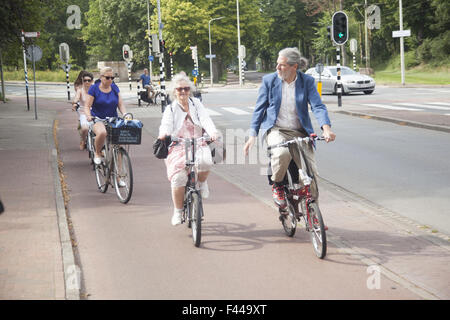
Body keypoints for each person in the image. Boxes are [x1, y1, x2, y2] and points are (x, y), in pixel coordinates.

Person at [243, 47, 336, 208]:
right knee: (281, 154)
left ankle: (313, 212)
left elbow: (318, 106)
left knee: (311, 174)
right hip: (277, 130)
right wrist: (253, 135)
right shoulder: (269, 81)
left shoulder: (307, 81)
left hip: (300, 131)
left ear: (294, 66)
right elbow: (259, 109)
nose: (277, 68)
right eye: (277, 64)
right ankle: (277, 185)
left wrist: (326, 128)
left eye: (282, 65)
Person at [158, 73, 219, 226]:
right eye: (180, 89)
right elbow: (165, 125)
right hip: (177, 145)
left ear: (190, 90)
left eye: (186, 88)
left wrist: (212, 132)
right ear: (174, 92)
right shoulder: (170, 109)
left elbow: (205, 119)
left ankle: (203, 182)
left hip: (198, 142)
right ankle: (178, 211)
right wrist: (164, 134)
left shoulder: (196, 103)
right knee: (179, 178)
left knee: (206, 161)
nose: (183, 92)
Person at [84, 67, 127, 165]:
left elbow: (120, 104)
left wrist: (125, 114)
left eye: (112, 78)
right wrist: (88, 116)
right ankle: (97, 153)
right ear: (101, 77)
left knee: (118, 145)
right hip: (98, 119)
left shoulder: (115, 88)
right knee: (102, 132)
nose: (110, 80)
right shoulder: (94, 88)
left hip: (113, 120)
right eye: (108, 78)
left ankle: (119, 177)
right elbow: (87, 106)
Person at [72, 71, 94, 150]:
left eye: (89, 80)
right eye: (85, 80)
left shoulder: (96, 89)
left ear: (92, 81)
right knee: (85, 128)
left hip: (95, 112)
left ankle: (99, 148)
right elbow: (76, 98)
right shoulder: (80, 90)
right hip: (83, 112)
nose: (87, 82)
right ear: (82, 81)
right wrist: (74, 104)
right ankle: (83, 141)